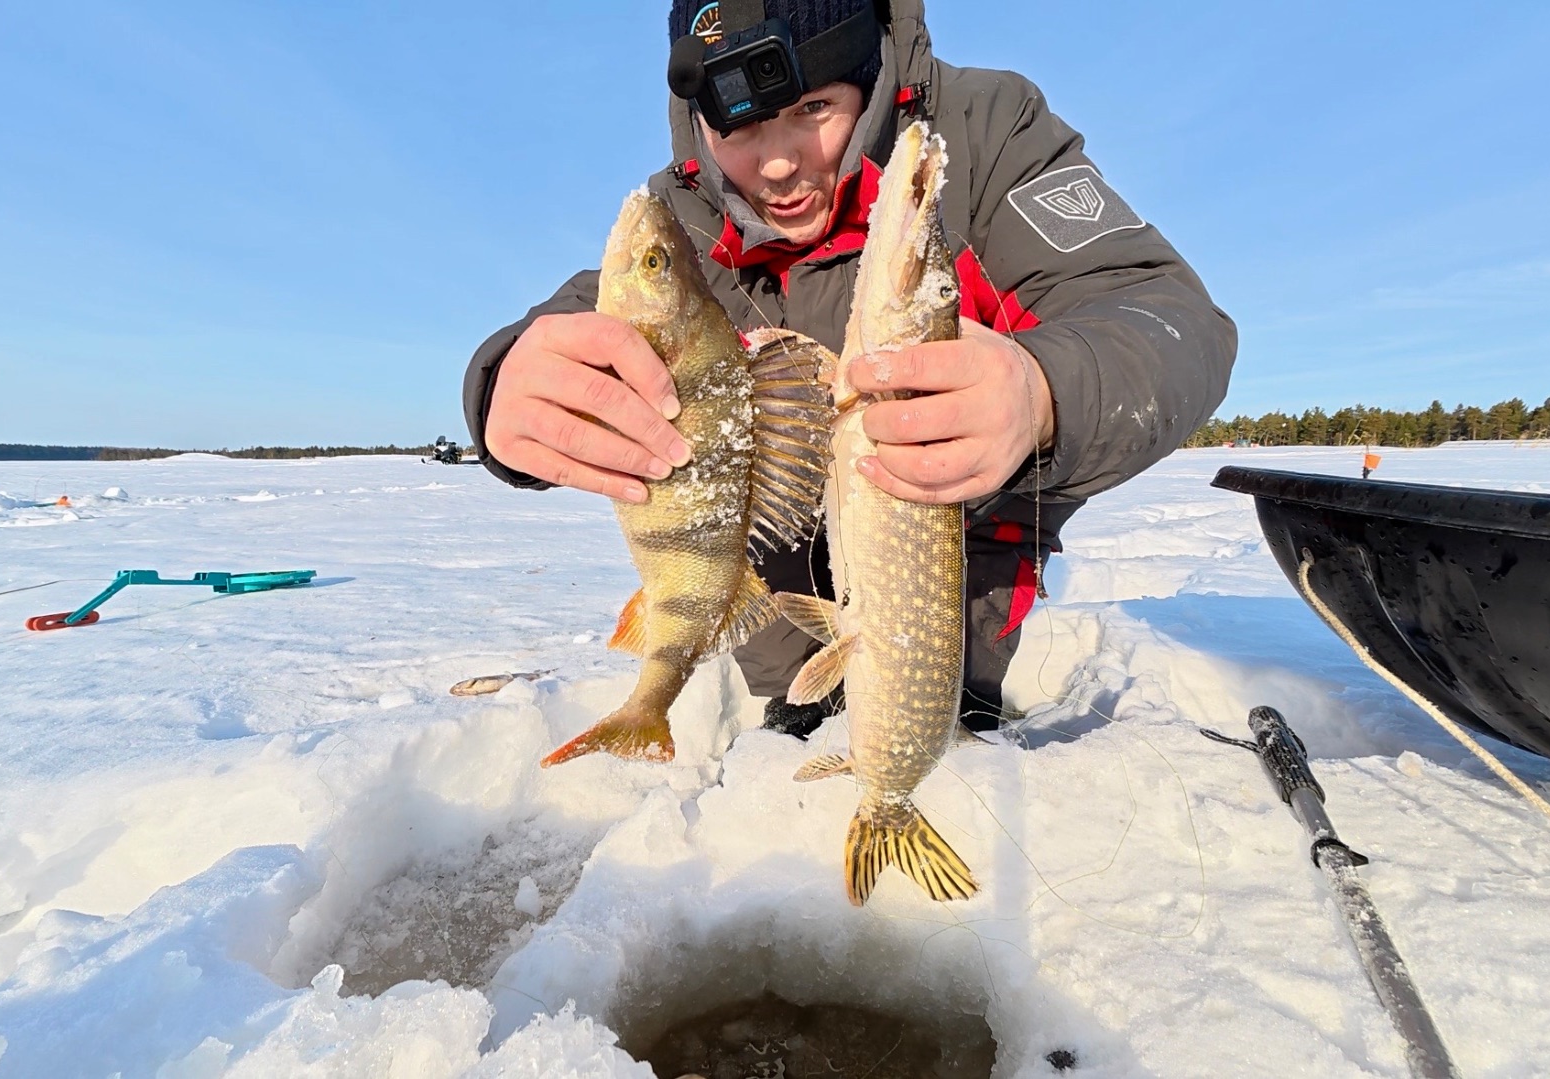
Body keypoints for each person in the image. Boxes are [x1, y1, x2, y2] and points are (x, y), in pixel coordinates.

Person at [464, 0, 1237, 737]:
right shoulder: (679, 218)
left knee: (933, 748)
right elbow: (565, 324)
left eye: (813, 110)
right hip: (777, 627)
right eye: (742, 125)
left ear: (867, 76)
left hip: (955, 602)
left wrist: (1042, 392)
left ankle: (957, 706)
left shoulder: (982, 136)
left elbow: (1169, 320)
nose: (776, 163)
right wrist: (503, 383)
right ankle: (795, 708)